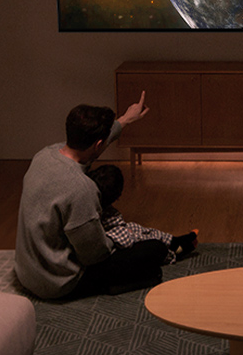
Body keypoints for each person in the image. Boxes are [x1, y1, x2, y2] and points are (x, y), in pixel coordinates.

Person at [14, 91, 170, 298]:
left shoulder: (45, 155)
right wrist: (117, 238)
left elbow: (91, 147)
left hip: (27, 272)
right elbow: (95, 255)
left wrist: (124, 120)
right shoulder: (80, 188)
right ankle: (111, 286)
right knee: (155, 249)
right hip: (58, 283)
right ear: (98, 144)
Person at [88, 163, 198, 262]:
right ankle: (174, 251)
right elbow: (125, 240)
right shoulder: (99, 216)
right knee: (152, 245)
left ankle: (173, 241)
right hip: (111, 251)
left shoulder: (102, 207)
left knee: (135, 228)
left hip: (116, 236)